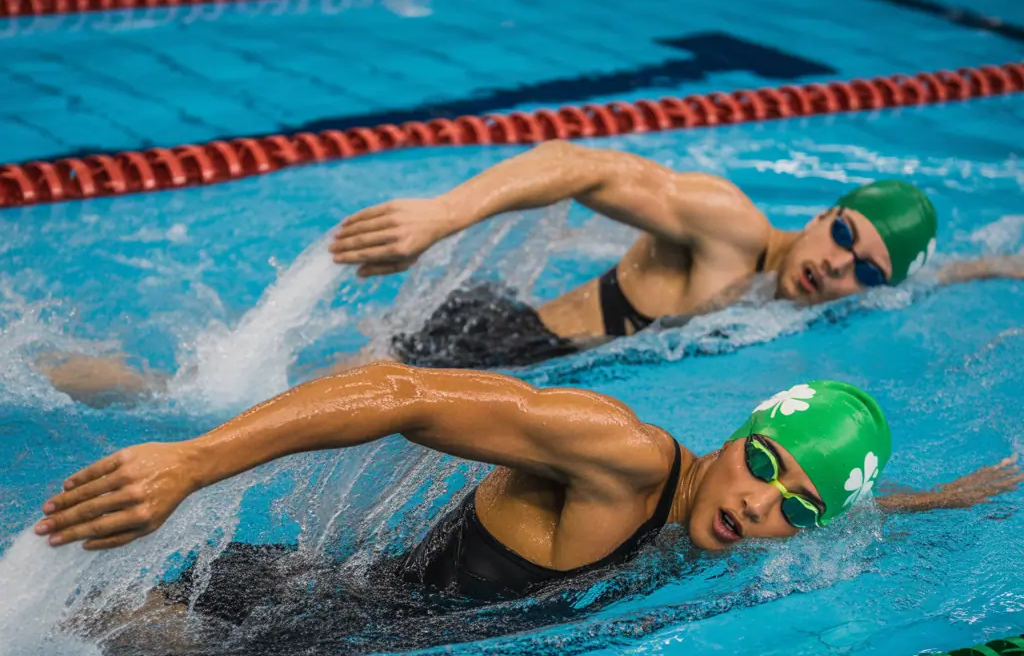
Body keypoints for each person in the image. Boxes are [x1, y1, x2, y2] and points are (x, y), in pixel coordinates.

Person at [35, 365, 1021, 613]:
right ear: (737, 436)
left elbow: (855, 511)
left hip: (336, 635)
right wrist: (191, 460)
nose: (763, 505)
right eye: (763, 464)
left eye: (795, 506)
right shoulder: (622, 455)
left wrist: (968, 490)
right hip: (268, 613)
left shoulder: (731, 514)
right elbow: (402, 394)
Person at [329, 142, 1024, 369]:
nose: (841, 267)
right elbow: (582, 164)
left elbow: (922, 278)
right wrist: (443, 215)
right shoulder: (734, 230)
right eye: (844, 237)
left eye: (867, 271)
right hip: (488, 343)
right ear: (822, 215)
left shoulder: (811, 295)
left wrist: (995, 267)